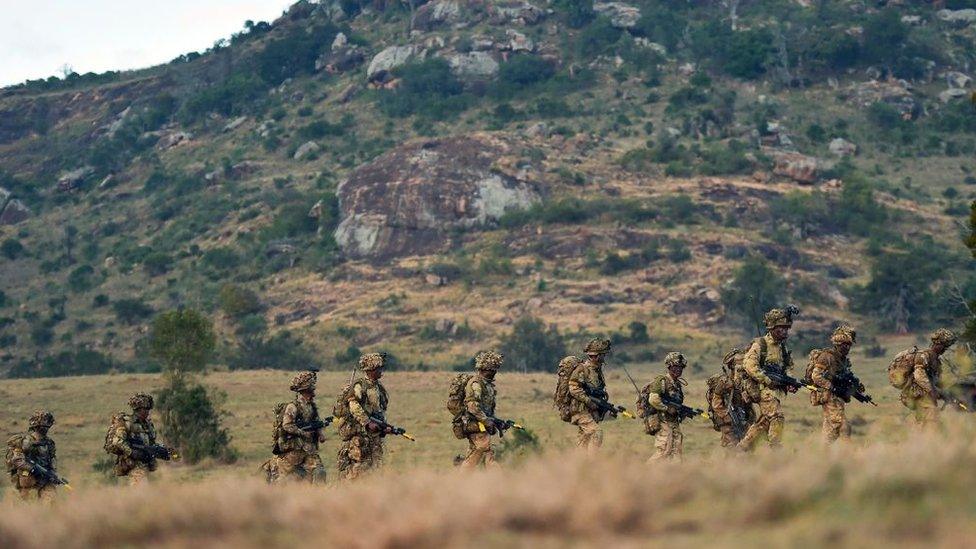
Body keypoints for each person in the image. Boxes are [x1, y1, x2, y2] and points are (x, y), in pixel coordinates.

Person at [737, 308, 798, 451]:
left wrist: (789, 382)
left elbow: (788, 366)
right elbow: (750, 366)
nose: (784, 332)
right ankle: (775, 448)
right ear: (772, 328)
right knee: (776, 415)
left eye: (786, 328)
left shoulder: (783, 348)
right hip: (760, 389)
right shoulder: (760, 344)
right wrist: (767, 380)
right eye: (781, 328)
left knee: (764, 422)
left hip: (774, 390)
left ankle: (742, 448)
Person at [337, 353, 390, 479]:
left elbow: (380, 410)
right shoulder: (360, 386)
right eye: (378, 368)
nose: (381, 371)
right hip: (360, 435)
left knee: (376, 467)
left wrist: (385, 426)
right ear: (371, 370)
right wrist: (367, 423)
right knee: (359, 469)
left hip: (375, 435)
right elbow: (353, 405)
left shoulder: (378, 387)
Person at [104, 393, 177, 485]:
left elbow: (151, 444)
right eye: (145, 409)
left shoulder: (148, 425)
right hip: (133, 464)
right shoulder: (127, 423)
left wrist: (165, 451)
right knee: (140, 489)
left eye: (148, 409)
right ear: (137, 409)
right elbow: (118, 442)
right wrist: (132, 452)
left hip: (145, 464)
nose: (147, 412)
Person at [269, 370, 327, 484]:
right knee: (288, 481)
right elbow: (287, 425)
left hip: (309, 449)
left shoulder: (311, 407)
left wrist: (320, 433)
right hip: (292, 450)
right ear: (303, 391)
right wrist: (302, 432)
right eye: (310, 391)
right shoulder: (292, 407)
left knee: (320, 472)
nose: (313, 394)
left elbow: (316, 422)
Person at [808, 325, 860, 443]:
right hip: (828, 395)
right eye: (843, 344)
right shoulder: (827, 357)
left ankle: (822, 453)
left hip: (837, 397)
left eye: (848, 345)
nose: (846, 347)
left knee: (830, 428)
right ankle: (847, 452)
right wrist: (832, 387)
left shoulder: (843, 360)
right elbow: (816, 376)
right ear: (837, 344)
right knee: (842, 425)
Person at [900, 328, 959, 427]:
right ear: (937, 343)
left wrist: (946, 393)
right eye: (944, 345)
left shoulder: (937, 361)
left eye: (947, 346)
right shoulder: (923, 355)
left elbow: (936, 381)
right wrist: (932, 391)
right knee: (931, 421)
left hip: (925, 396)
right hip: (916, 394)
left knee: (927, 420)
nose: (945, 348)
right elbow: (919, 376)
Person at [457, 350, 504, 470]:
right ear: (482, 369)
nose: (493, 372)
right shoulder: (476, 384)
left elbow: (486, 408)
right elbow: (472, 406)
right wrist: (486, 421)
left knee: (476, 454)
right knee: (485, 450)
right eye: (490, 370)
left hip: (481, 424)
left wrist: (496, 421)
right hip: (476, 424)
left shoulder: (487, 385)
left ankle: (460, 480)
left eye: (494, 370)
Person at [567, 338, 613, 453]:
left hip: (590, 411)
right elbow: (573, 388)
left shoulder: (597, 370)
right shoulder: (583, 369)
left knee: (583, 441)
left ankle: (580, 466)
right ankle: (592, 464)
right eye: (603, 355)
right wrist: (589, 401)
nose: (604, 358)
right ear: (596, 356)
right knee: (596, 433)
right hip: (580, 410)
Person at [6, 411, 60, 502]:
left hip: (45, 479)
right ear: (36, 426)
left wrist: (53, 473)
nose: (45, 428)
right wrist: (33, 469)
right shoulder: (25, 442)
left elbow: (52, 459)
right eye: (43, 426)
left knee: (52, 502)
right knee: (31, 505)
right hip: (29, 480)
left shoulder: (49, 442)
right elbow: (17, 460)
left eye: (47, 426)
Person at [645, 353, 689, 460]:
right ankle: (645, 472)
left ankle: (672, 474)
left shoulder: (677, 384)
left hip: (673, 422)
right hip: (662, 420)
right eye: (676, 367)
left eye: (681, 367)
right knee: (664, 449)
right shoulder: (662, 381)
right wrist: (667, 408)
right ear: (669, 366)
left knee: (677, 449)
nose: (679, 369)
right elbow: (653, 399)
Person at [707, 348, 754, 448]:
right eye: (739, 367)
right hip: (727, 420)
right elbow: (716, 402)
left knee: (747, 446)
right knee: (732, 445)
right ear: (732, 367)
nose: (742, 370)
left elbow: (749, 404)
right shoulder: (724, 382)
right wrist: (726, 416)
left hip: (742, 419)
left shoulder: (746, 382)